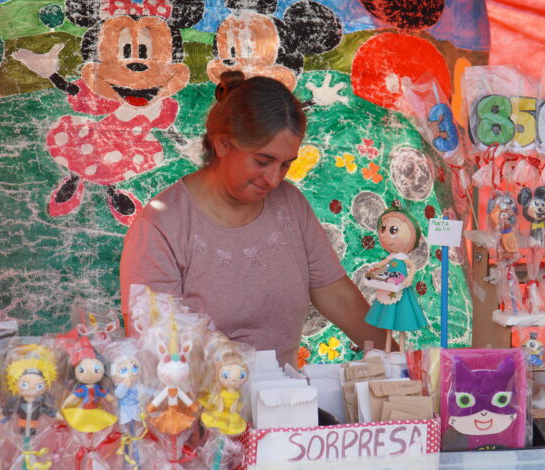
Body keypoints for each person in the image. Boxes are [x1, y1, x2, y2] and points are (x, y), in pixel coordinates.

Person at [120, 71, 385, 367]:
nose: (274, 180)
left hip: (284, 401)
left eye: (286, 164)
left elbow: (336, 294)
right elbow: (153, 350)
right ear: (223, 145)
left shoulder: (290, 205)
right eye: (262, 161)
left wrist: (398, 362)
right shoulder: (162, 225)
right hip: (201, 408)